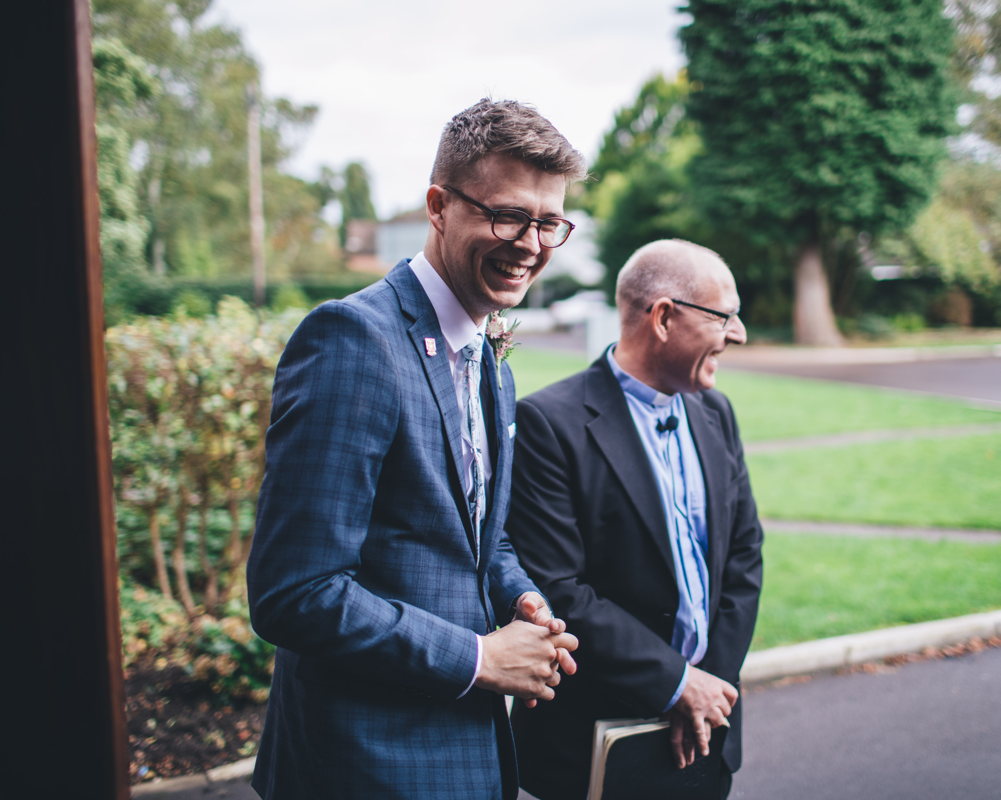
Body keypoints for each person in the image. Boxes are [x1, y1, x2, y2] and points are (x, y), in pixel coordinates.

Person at [246, 99, 586, 800]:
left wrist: (520, 599)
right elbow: (295, 593)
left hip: (467, 760)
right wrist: (478, 657)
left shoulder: (489, 356)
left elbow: (476, 540)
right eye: (508, 216)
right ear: (438, 206)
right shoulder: (352, 340)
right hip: (364, 768)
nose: (531, 243)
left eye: (549, 222)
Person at [507, 239, 765, 800]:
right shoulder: (548, 424)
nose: (738, 334)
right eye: (724, 316)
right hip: (593, 747)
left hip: (705, 735)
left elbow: (744, 555)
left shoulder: (716, 412)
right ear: (665, 318)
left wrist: (707, 686)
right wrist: (675, 684)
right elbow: (559, 590)